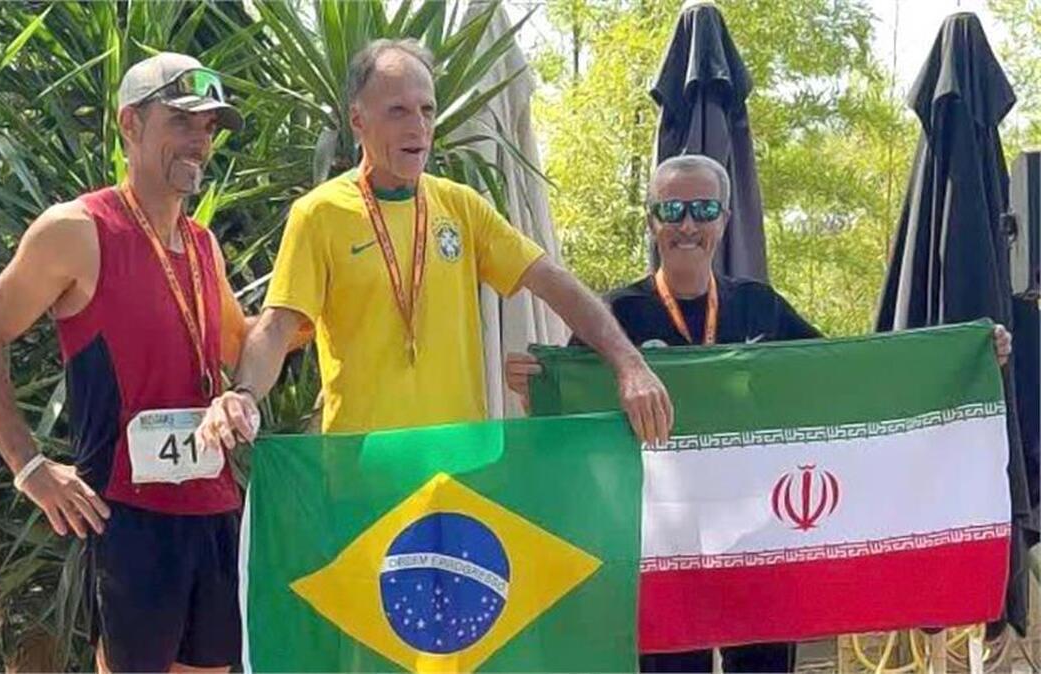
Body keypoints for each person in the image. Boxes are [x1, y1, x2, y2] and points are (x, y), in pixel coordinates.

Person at [505, 153, 1013, 673]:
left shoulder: (760, 306)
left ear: (724, 220)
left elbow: (844, 375)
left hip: (761, 541)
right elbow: (574, 420)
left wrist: (965, 357)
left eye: (704, 209)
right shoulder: (615, 315)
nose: (687, 225)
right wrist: (536, 389)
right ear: (652, 221)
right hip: (662, 546)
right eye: (672, 210)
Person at [194, 38, 673, 448]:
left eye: (427, 110)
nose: (418, 127)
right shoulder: (319, 213)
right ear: (358, 120)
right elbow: (278, 325)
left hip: (459, 467)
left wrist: (629, 364)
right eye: (398, 111)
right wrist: (244, 394)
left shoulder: (461, 206)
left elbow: (552, 281)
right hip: (365, 474)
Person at [0, 53, 251, 673]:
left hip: (212, 508)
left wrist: (318, 304)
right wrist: (29, 467)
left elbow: (241, 348)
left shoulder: (203, 245)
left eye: (208, 127)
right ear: (130, 124)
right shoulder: (77, 230)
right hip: (127, 515)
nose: (199, 141)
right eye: (182, 121)